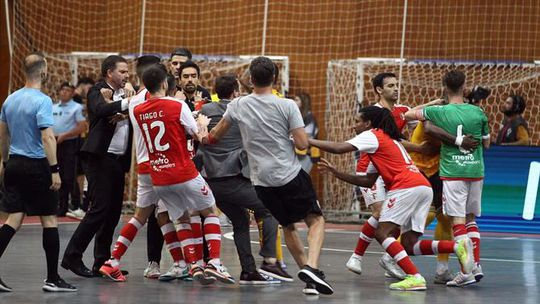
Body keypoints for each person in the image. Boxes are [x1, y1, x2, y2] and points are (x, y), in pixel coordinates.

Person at [201, 56, 333, 295]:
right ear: (274, 79)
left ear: (250, 80)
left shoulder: (237, 105)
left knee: (287, 225)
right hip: (288, 175)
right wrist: (292, 135)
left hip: (261, 181)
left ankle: (310, 279)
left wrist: (200, 130)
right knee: (316, 219)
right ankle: (312, 266)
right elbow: (302, 145)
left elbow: (214, 137)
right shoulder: (287, 105)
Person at [311, 106, 474, 291]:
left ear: (368, 123)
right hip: (422, 186)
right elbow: (367, 180)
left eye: (357, 121)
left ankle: (415, 277)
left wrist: (308, 140)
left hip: (406, 186)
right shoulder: (388, 141)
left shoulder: (373, 134)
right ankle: (456, 247)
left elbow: (339, 148)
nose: (354, 126)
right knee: (409, 245)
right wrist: (337, 173)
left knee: (382, 233)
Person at [133, 64, 234, 285]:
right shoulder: (177, 105)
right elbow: (199, 137)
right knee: (209, 211)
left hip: (158, 175)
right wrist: (202, 123)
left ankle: (192, 264)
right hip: (183, 171)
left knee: (180, 218)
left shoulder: (138, 109)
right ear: (165, 84)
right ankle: (214, 262)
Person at [99, 56, 191, 283]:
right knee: (185, 213)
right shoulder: (169, 102)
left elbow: (116, 110)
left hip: (144, 166)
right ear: (162, 80)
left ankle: (113, 260)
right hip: (165, 165)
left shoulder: (134, 101)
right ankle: (193, 263)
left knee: (146, 215)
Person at [199, 74, 291, 284]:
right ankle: (269, 260)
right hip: (231, 178)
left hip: (210, 182)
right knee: (269, 208)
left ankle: (248, 272)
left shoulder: (204, 110)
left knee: (240, 221)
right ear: (235, 92)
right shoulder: (240, 109)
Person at [405, 70, 490, 286]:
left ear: (444, 86)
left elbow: (407, 115)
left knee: (457, 221)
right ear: (464, 86)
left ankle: (466, 271)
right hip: (476, 171)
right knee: (471, 219)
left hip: (453, 173)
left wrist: (435, 103)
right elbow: (487, 144)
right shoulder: (478, 113)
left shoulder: (438, 111)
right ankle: (476, 264)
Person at [0, 53, 77, 292]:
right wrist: (54, 170)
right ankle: (52, 278)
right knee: (49, 220)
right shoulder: (42, 100)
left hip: (14, 163)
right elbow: (47, 137)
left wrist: (4, 161)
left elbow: (3, 134)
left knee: (13, 218)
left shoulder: (9, 99)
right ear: (43, 73)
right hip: (36, 166)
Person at [61, 55, 133, 278]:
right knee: (99, 209)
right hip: (99, 158)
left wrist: (125, 108)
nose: (127, 75)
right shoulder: (97, 90)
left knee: (112, 214)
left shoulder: (128, 91)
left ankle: (102, 262)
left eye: (128, 72)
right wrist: (125, 104)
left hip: (118, 161)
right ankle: (72, 256)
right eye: (122, 71)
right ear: (109, 72)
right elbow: (100, 110)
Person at [346, 72, 416, 279]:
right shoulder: (374, 114)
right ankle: (356, 256)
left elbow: (420, 122)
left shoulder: (404, 111)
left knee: (396, 218)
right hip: (370, 169)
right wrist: (420, 148)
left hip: (392, 171)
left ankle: (390, 258)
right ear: (379, 90)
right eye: (391, 85)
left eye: (397, 85)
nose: (396, 88)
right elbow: (395, 142)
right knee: (381, 213)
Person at [52, 82, 87, 216]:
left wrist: (65, 135)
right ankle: (55, 204)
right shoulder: (52, 107)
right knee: (54, 173)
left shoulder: (77, 107)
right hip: (53, 143)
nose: (64, 92)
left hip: (69, 144)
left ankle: (68, 205)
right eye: (62, 90)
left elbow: (81, 127)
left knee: (68, 176)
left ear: (72, 93)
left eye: (68, 90)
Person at [293, 92, 320, 173]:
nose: (294, 101)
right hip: (297, 153)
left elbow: (306, 138)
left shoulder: (309, 118)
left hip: (306, 155)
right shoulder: (297, 116)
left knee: (300, 180)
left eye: (296, 100)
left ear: (303, 102)